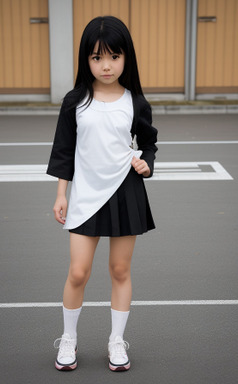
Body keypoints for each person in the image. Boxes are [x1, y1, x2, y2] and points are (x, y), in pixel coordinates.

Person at [47, 15, 157, 372]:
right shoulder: (75, 100)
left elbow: (148, 143)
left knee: (120, 269)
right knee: (78, 272)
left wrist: (146, 164)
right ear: (86, 60)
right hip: (85, 193)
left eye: (113, 56)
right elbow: (64, 150)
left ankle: (116, 341)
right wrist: (61, 193)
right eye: (96, 57)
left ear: (126, 57)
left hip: (126, 190)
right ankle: (69, 339)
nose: (106, 65)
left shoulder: (136, 101)